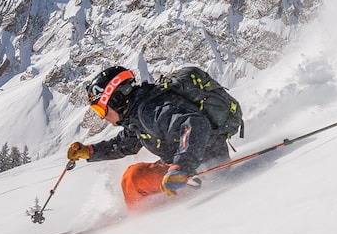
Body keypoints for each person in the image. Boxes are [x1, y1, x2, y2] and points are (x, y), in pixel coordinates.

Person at [66, 66, 231, 208]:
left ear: (116, 100)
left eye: (101, 109)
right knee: (133, 176)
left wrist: (182, 167)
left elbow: (195, 123)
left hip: (203, 171)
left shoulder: (150, 111)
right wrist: (90, 152)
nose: (103, 117)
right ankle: (146, 215)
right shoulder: (138, 114)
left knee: (133, 178)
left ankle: (145, 222)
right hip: (188, 170)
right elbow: (124, 144)